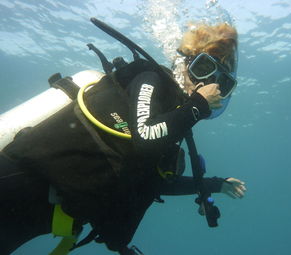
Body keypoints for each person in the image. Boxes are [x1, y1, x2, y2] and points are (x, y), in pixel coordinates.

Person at [0, 19, 246, 255]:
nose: (208, 83)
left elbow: (156, 183)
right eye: (202, 68)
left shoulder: (173, 125)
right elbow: (145, 136)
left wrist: (215, 185)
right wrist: (197, 106)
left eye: (220, 82)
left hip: (46, 214)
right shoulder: (152, 80)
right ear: (185, 63)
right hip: (19, 185)